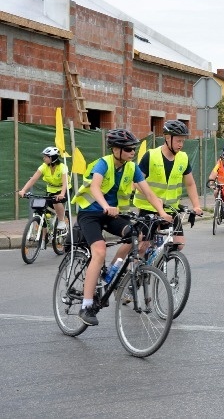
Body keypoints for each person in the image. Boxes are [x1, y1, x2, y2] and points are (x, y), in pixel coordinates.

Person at [72, 129, 172, 326]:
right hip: (91, 213)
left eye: (133, 149)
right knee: (99, 251)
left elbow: (150, 194)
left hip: (114, 214)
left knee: (138, 233)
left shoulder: (131, 168)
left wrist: (162, 213)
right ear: (115, 149)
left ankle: (112, 275)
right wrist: (105, 206)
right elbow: (94, 187)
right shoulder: (104, 163)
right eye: (127, 149)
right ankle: (86, 305)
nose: (132, 152)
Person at [133, 120, 203, 251]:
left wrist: (197, 205)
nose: (181, 145)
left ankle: (160, 260)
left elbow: (190, 183)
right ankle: (140, 269)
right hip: (149, 207)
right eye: (178, 141)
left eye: (183, 141)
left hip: (171, 208)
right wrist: (153, 198)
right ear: (167, 138)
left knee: (179, 244)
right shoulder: (151, 156)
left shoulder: (183, 157)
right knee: (143, 246)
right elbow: (136, 182)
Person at [18, 147, 70, 230]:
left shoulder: (62, 167)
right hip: (51, 190)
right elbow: (33, 179)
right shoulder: (44, 166)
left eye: (46, 156)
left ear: (52, 158)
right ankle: (44, 237)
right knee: (42, 208)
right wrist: (24, 190)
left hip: (64, 189)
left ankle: (61, 220)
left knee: (56, 200)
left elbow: (65, 183)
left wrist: (62, 194)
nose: (43, 158)